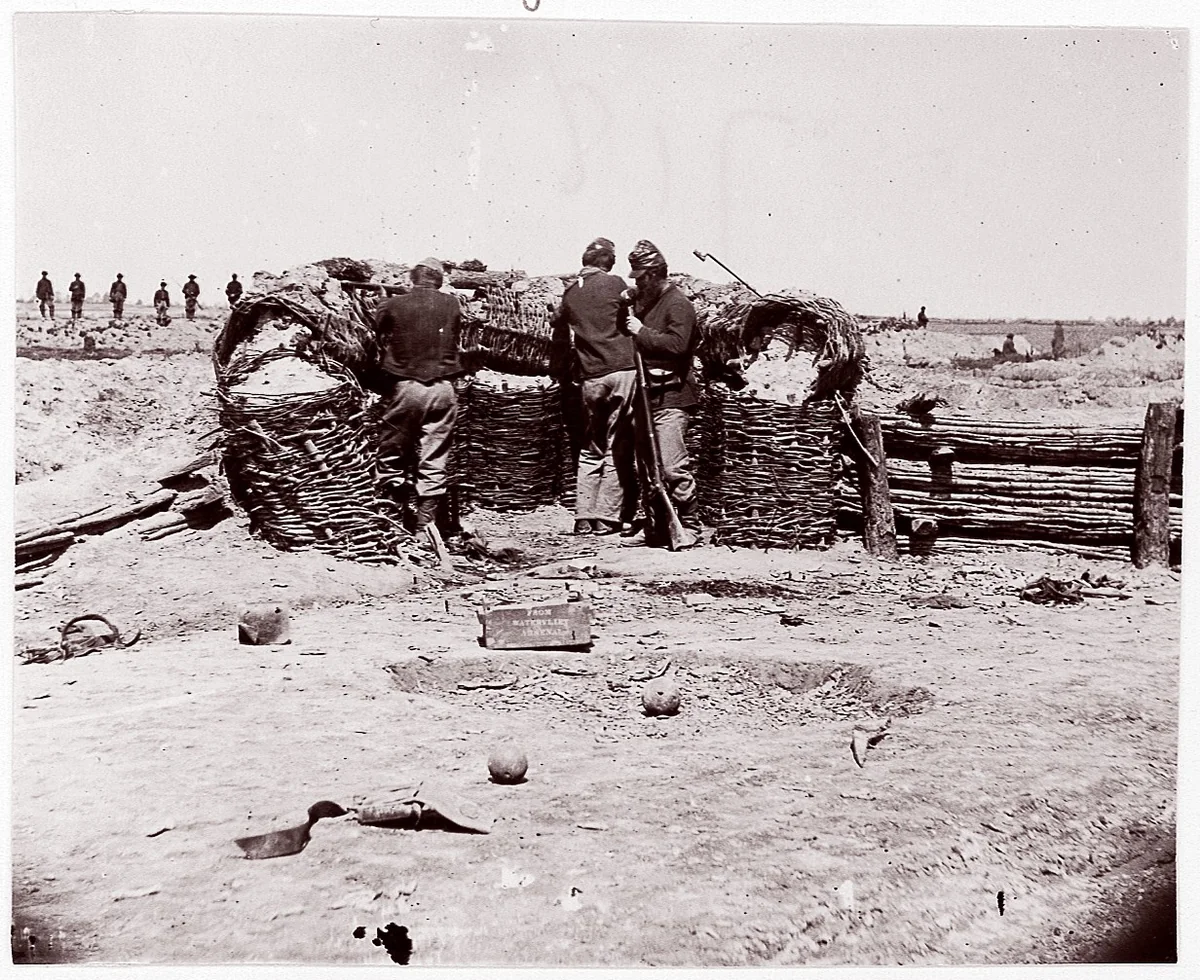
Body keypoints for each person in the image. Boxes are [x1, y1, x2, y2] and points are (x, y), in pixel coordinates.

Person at [550, 236, 638, 537]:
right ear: (609, 263)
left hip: (591, 377)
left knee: (591, 447)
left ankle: (583, 516)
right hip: (622, 370)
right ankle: (606, 517)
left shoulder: (571, 292)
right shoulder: (615, 284)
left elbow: (556, 320)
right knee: (617, 444)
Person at [374, 256, 463, 532]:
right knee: (434, 459)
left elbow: (375, 333)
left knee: (391, 455)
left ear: (412, 280)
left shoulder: (393, 303)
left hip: (406, 387)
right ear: (438, 281)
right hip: (443, 388)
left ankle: (392, 522)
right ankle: (427, 528)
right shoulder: (452, 304)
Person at [624, 239, 701, 545]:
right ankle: (655, 525)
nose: (638, 283)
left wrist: (640, 331)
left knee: (671, 467)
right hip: (646, 396)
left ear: (655, 274)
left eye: (641, 277)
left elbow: (677, 345)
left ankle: (690, 525)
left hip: (672, 395)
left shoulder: (678, 304)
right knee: (647, 466)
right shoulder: (645, 302)